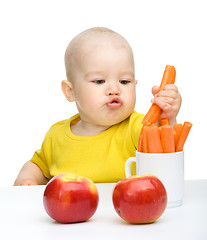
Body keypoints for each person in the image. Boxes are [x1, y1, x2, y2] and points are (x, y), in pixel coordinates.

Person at [14, 27, 182, 186]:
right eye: (99, 81)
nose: (114, 89)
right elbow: (39, 166)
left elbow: (163, 146)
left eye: (124, 81)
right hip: (71, 213)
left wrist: (166, 116)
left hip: (125, 213)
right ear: (70, 91)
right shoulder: (56, 136)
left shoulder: (138, 127)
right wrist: (28, 177)